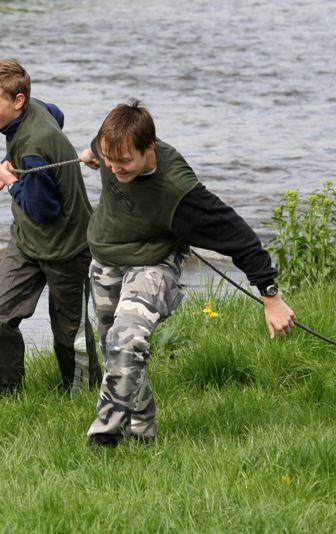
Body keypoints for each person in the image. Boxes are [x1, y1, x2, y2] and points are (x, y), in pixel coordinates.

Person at [80, 99, 297, 448]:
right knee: (116, 352)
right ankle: (141, 429)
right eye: (108, 158)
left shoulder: (180, 192)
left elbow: (240, 238)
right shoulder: (111, 146)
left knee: (127, 340)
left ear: (149, 148)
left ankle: (103, 438)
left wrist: (271, 298)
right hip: (105, 259)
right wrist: (92, 155)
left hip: (152, 264)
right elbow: (100, 148)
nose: (114, 167)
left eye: (123, 162)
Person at [0, 59, 101, 399]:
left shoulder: (32, 148)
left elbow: (45, 210)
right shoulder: (37, 108)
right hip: (27, 243)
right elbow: (57, 113)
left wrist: (10, 179)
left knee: (68, 334)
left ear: (17, 101)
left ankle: (82, 396)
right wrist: (11, 168)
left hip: (67, 248)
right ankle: (8, 398)